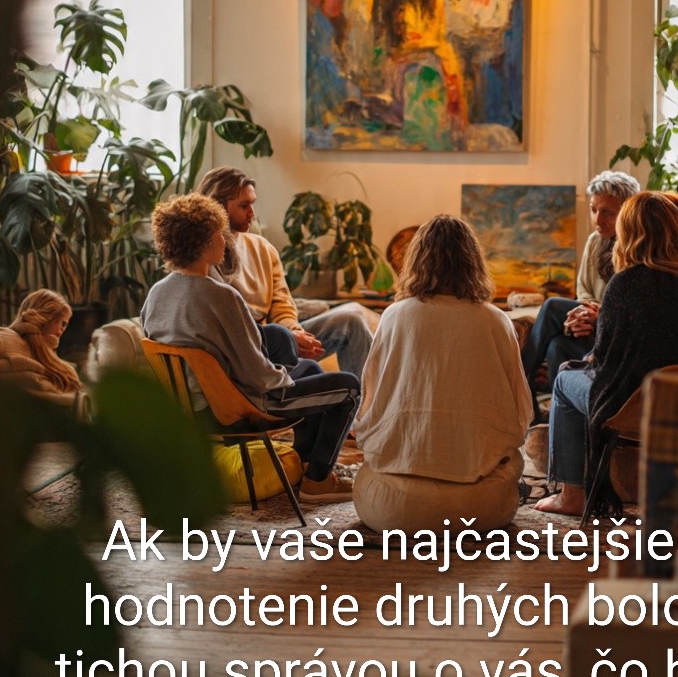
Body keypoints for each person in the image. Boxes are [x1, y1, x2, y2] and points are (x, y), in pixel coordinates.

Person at [141, 193, 360, 504]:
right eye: (220, 233)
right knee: (349, 388)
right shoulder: (222, 297)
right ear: (205, 241)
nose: (225, 240)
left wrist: (289, 371)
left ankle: (299, 467)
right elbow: (255, 372)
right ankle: (317, 481)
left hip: (195, 409)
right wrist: (284, 376)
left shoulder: (157, 293)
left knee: (309, 368)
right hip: (239, 408)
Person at [536, 191, 678, 518]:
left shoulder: (627, 283)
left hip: (636, 407)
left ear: (631, 233)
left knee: (564, 379)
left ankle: (572, 495)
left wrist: (590, 352)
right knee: (573, 366)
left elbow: (604, 361)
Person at [353, 214, 534, 533]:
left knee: (370, 470)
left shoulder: (393, 316)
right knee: (510, 463)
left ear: (416, 261)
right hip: (479, 507)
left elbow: (368, 408)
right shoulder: (496, 321)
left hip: (390, 507)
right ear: (473, 263)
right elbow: (521, 416)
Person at [197, 167, 373, 381]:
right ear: (218, 206)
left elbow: (282, 305)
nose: (252, 213)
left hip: (280, 338)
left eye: (253, 203)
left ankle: (369, 401)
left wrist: (294, 332)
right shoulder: (204, 256)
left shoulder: (263, 248)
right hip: (246, 349)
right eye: (244, 206)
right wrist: (285, 338)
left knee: (351, 322)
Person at [520, 171, 641, 401]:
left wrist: (598, 315)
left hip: (617, 336)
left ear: (628, 212)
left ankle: (518, 380)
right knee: (556, 346)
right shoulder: (595, 241)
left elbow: (631, 309)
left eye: (607, 212)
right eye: (594, 210)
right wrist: (582, 315)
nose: (597, 220)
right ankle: (550, 408)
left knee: (553, 306)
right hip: (595, 326)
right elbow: (583, 290)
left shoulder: (638, 248)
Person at [0, 289, 81, 399]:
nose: (62, 329)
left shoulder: (50, 357)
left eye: (65, 325)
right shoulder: (6, 339)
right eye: (62, 323)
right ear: (48, 316)